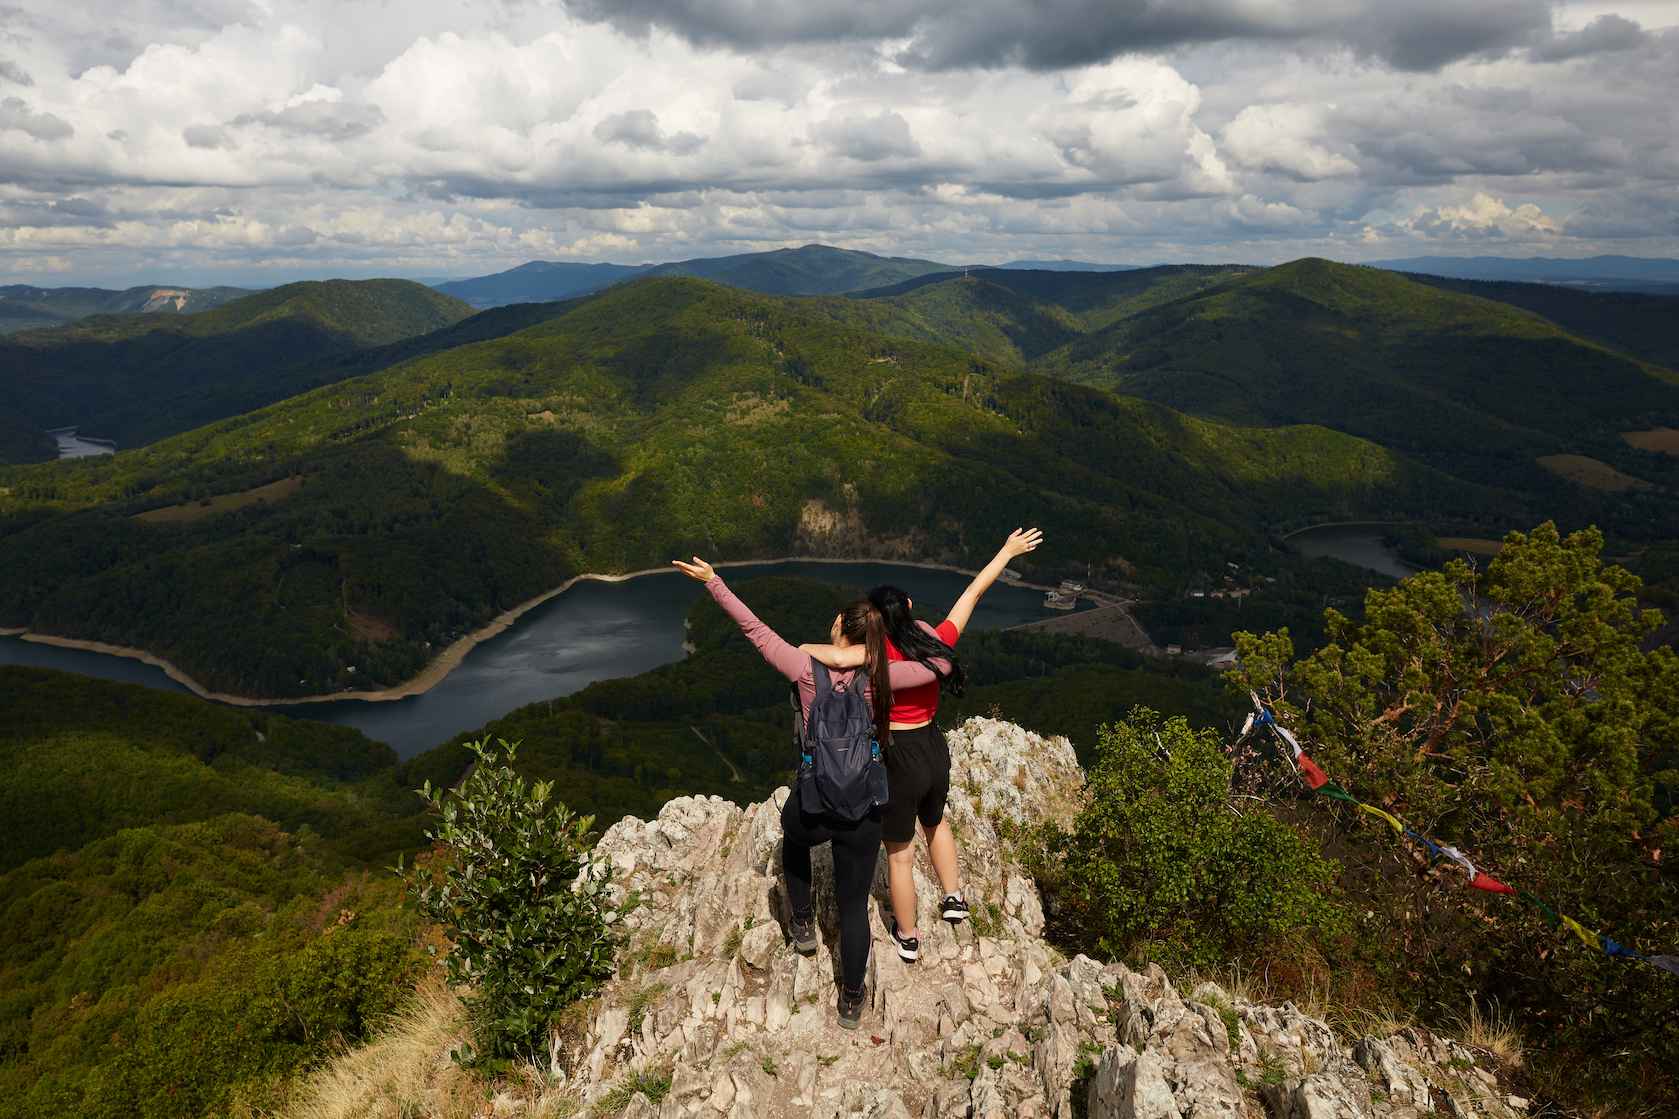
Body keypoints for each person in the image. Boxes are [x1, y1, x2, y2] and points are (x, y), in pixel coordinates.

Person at [670, 555, 949, 1029]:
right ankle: (852, 1000)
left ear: (839, 627)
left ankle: (802, 921)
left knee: (793, 836)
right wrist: (867, 657)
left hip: (817, 799)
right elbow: (940, 663)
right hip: (863, 807)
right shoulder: (883, 675)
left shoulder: (804, 668)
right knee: (853, 907)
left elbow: (754, 629)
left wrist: (714, 581)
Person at [802, 528, 1043, 962]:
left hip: (899, 753)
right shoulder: (933, 641)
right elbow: (972, 594)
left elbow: (835, 658)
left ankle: (909, 937)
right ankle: (953, 898)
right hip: (934, 745)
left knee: (899, 854)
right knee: (936, 821)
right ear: (909, 607)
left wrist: (809, 644)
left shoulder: (876, 653)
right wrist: (1007, 551)